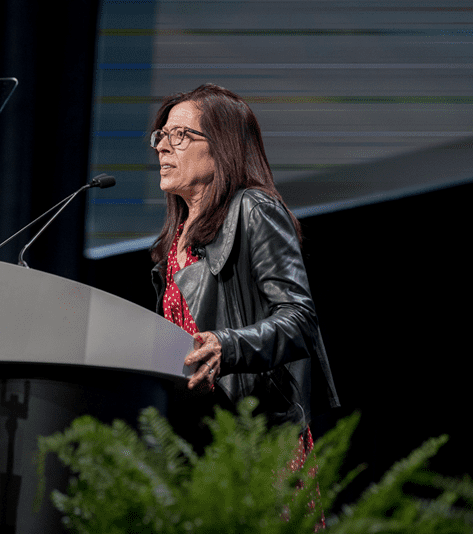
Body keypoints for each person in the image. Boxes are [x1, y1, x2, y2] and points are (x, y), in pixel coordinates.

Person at [149, 83, 338, 528]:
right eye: (162, 135)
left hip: (259, 438)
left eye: (180, 135)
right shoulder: (173, 243)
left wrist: (227, 346)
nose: (162, 146)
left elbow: (300, 318)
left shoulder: (253, 208)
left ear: (222, 147)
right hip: (197, 442)